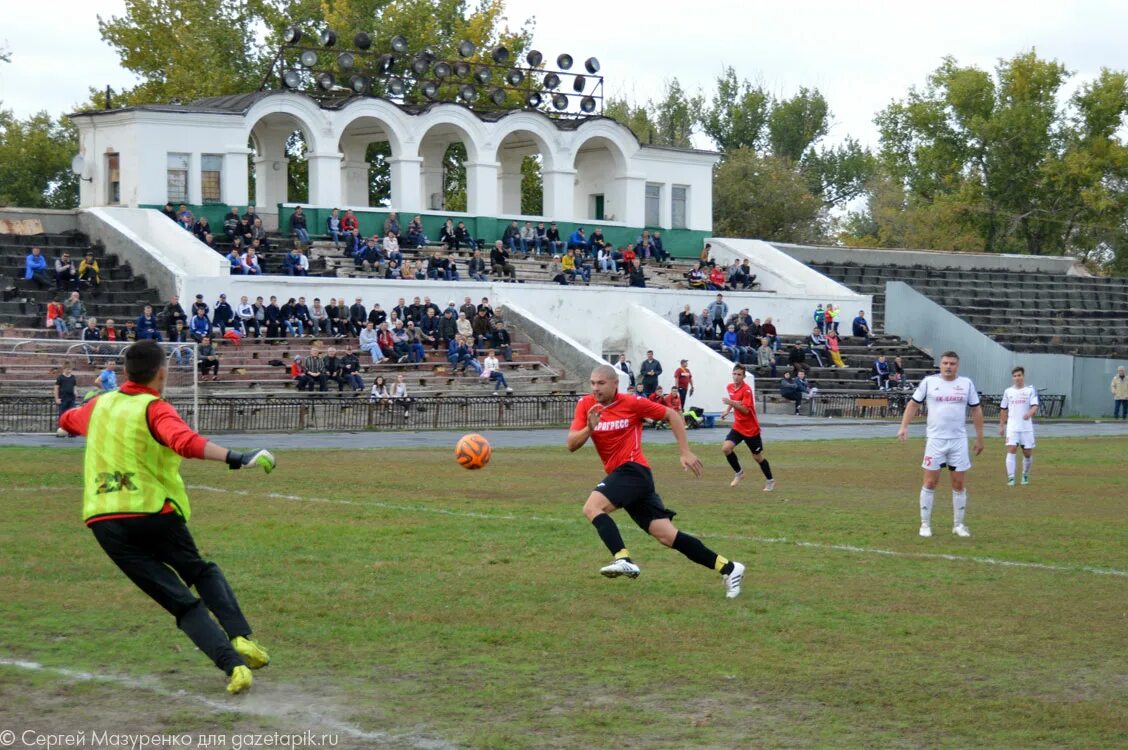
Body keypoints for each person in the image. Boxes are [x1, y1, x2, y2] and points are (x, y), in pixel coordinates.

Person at [57, 340, 275, 695]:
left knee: (180, 602)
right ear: (162, 372)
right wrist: (237, 457)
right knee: (200, 571)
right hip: (152, 511)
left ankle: (234, 667)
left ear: (124, 372)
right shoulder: (154, 408)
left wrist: (77, 414)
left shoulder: (99, 406)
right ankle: (240, 637)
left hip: (103, 521)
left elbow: (67, 420)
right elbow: (185, 442)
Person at [567, 365, 746, 598]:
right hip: (624, 478)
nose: (595, 388)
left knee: (592, 507)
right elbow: (571, 444)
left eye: (601, 383)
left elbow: (671, 415)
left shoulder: (631, 403)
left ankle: (622, 559)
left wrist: (685, 451)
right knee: (667, 536)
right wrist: (589, 428)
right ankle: (729, 568)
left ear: (615, 385)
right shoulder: (585, 406)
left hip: (634, 470)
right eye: (592, 383)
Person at [897, 351, 985, 539]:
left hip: (958, 441)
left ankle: (958, 525)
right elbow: (913, 405)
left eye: (952, 363)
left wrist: (979, 438)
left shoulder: (966, 384)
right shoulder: (929, 382)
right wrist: (904, 427)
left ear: (957, 365)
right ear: (940, 364)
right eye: (945, 363)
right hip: (935, 441)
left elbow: (976, 410)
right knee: (930, 482)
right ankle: (925, 524)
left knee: (958, 483)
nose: (948, 366)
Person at [721, 364, 775, 491]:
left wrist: (731, 403)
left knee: (757, 457)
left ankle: (770, 481)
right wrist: (727, 410)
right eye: (734, 374)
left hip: (751, 429)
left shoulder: (747, 390)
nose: (736, 376)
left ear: (744, 376)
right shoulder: (730, 387)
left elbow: (745, 410)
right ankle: (739, 473)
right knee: (726, 449)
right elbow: (733, 400)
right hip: (738, 426)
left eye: (739, 374)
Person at [999, 366, 1039, 486]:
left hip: (1026, 428)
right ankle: (1011, 477)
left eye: (1019, 375)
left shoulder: (1030, 390)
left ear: (1023, 376)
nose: (1017, 378)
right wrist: (1002, 425)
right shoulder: (1008, 392)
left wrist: (1029, 413)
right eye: (1015, 376)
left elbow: (1035, 406)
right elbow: (1004, 409)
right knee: (1011, 449)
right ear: (1013, 378)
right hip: (1012, 427)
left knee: (1027, 453)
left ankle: (1025, 475)